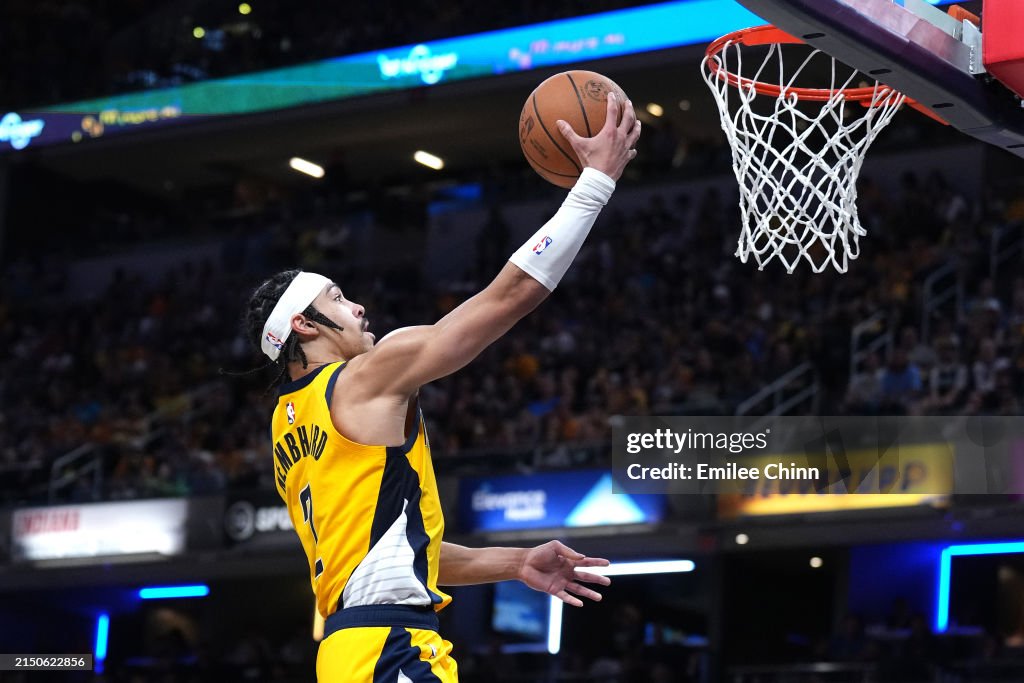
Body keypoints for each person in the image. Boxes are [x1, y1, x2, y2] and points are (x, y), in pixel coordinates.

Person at [245, 93, 641, 682]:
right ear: (303, 325)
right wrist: (594, 185)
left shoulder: (286, 425)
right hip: (389, 647)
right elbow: (508, 297)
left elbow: (402, 551)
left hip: (351, 650)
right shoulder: (362, 377)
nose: (357, 306)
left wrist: (515, 562)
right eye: (336, 299)